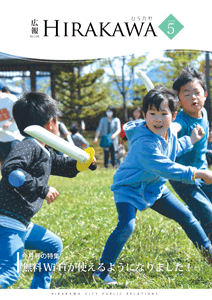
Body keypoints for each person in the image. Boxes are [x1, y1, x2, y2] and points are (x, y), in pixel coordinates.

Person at [93, 86, 212, 285]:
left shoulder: (168, 134)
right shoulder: (143, 143)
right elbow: (166, 167)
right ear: (144, 115)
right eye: (152, 113)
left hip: (154, 188)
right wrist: (198, 173)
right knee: (127, 226)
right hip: (128, 188)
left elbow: (173, 147)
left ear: (173, 115)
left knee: (187, 217)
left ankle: (209, 254)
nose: (157, 119)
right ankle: (102, 272)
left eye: (163, 113)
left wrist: (191, 140)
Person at [0, 91, 97, 289]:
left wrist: (83, 162)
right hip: (9, 221)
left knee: (53, 245)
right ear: (51, 123)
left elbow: (62, 165)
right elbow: (11, 171)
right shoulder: (27, 146)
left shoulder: (42, 150)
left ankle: (38, 291)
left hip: (22, 222)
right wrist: (42, 189)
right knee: (9, 272)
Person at [169, 67, 212, 241]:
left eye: (196, 92)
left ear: (205, 94)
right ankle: (207, 249)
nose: (193, 97)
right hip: (184, 178)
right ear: (178, 100)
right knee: (207, 214)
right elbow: (174, 128)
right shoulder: (180, 121)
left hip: (203, 170)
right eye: (186, 94)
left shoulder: (205, 113)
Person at [0, 86, 23, 167]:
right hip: (1, 138)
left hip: (14, 136)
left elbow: (20, 112)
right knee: (4, 163)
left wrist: (10, 121)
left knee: (15, 162)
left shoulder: (10, 98)